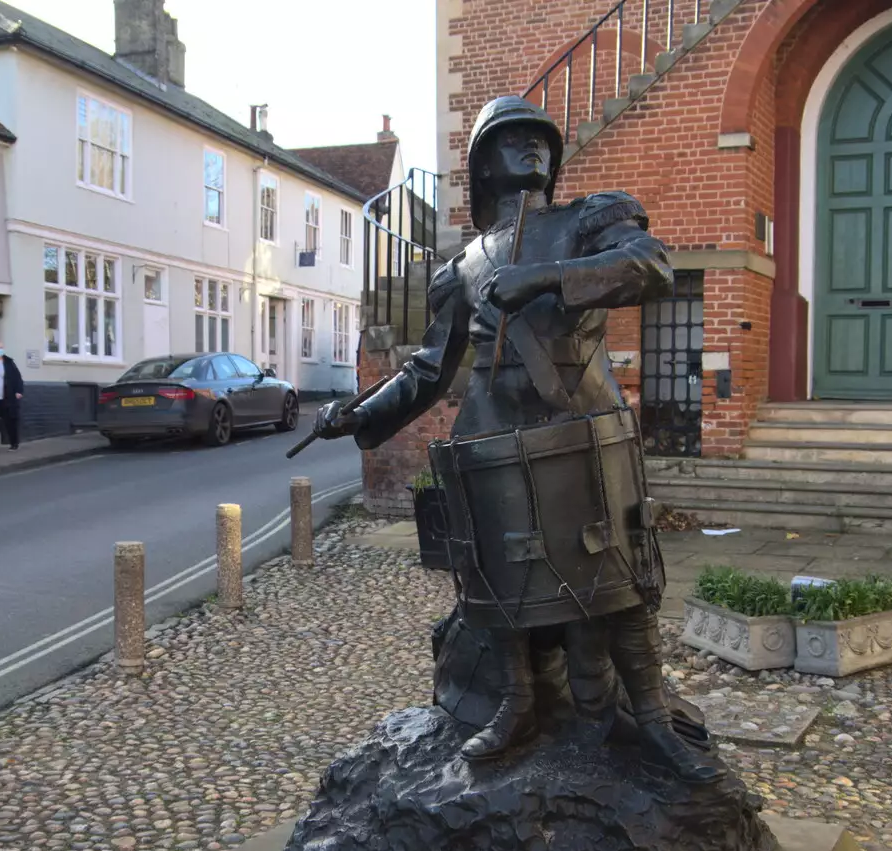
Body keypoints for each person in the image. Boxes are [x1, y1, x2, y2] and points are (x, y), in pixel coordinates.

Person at [310, 95, 723, 783]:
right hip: (493, 441)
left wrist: (544, 277)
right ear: (482, 166)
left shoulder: (591, 219)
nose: (532, 147)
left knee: (619, 579)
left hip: (583, 428)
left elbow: (650, 267)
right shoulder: (463, 266)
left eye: (540, 139)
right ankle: (516, 702)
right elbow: (427, 368)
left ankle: (649, 713)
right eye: (511, 139)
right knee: (498, 581)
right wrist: (361, 414)